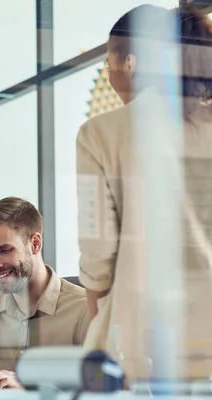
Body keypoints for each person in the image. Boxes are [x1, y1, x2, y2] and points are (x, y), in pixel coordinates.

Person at [76, 4, 212, 382]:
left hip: (145, 339)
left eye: (109, 62)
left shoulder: (102, 133)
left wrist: (102, 337)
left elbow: (98, 257)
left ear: (130, 62)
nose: (109, 74)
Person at [0, 197, 89, 389]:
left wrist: (31, 388)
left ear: (35, 243)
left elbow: (118, 393)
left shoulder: (86, 310)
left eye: (5, 251)